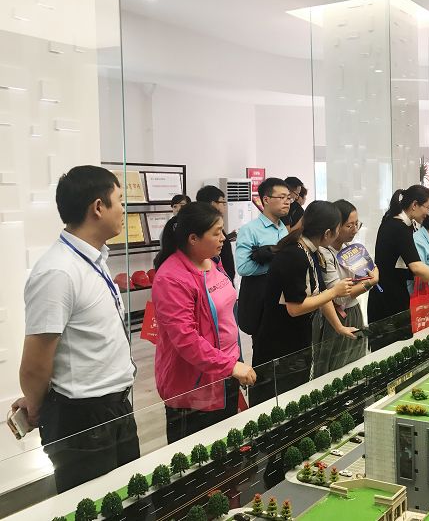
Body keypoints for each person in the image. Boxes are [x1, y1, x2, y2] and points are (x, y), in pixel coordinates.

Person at [13, 165, 139, 493]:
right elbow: (35, 364)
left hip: (115, 407)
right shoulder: (57, 272)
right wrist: (37, 406)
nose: (123, 209)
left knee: (131, 501)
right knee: (92, 506)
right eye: (120, 201)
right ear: (98, 207)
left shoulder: (93, 260)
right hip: (83, 420)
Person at [152, 203, 257, 443]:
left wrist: (232, 364)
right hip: (196, 382)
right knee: (198, 453)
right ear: (193, 238)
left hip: (226, 371)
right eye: (216, 232)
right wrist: (230, 366)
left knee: (226, 444)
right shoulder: (171, 278)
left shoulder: (213, 262)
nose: (223, 238)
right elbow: (185, 339)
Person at [250, 201, 357, 405]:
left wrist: (339, 327)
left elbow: (320, 294)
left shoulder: (311, 250)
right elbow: (295, 308)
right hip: (279, 346)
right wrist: (335, 292)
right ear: (327, 233)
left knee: (297, 396)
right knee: (277, 404)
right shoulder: (295, 255)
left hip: (297, 340)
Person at [367, 185, 429, 349]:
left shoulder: (404, 225)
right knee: (391, 351)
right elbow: (417, 267)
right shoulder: (397, 226)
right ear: (414, 205)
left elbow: (410, 267)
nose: (428, 212)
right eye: (427, 207)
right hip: (387, 300)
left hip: (395, 295)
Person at [314, 200, 378, 375]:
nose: (355, 230)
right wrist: (369, 283)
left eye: (357, 224)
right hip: (335, 317)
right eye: (349, 225)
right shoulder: (324, 254)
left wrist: (370, 278)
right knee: (335, 366)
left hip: (354, 311)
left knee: (356, 361)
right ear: (336, 226)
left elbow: (370, 270)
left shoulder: (350, 248)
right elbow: (339, 297)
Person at [234, 178, 290, 335]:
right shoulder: (249, 230)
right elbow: (243, 268)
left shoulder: (283, 229)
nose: (287, 202)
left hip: (282, 299)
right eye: (282, 197)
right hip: (260, 301)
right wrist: (276, 262)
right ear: (266, 199)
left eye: (289, 197)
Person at [196, 185, 236, 283]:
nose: (225, 206)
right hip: (216, 282)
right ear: (213, 204)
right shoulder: (205, 227)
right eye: (223, 202)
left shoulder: (210, 224)